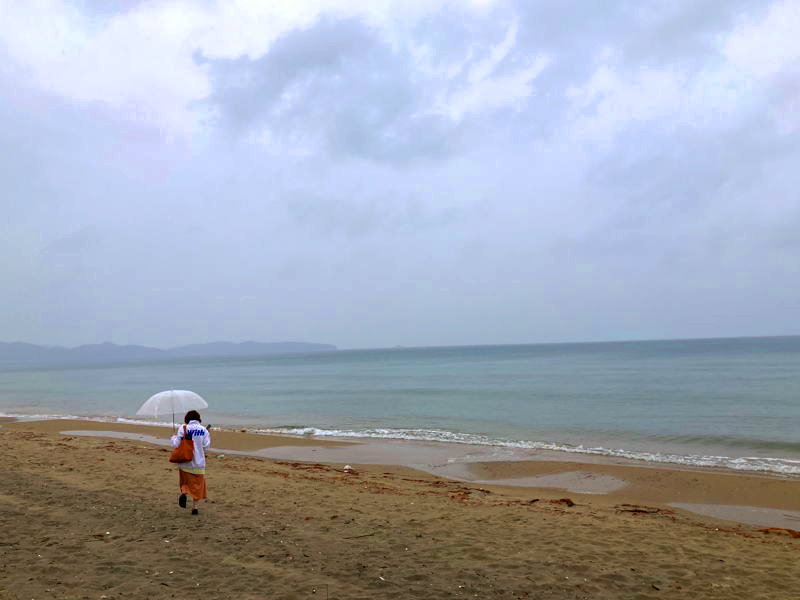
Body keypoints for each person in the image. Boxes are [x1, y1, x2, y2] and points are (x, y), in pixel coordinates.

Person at [170, 410, 211, 515]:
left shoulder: (183, 428)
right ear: (198, 419)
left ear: (187, 419)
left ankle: (184, 492)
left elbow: (175, 445)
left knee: (185, 482)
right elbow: (206, 446)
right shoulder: (203, 430)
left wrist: (173, 437)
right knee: (198, 485)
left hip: (185, 462)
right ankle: (195, 507)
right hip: (199, 462)